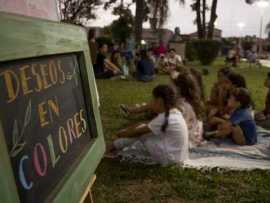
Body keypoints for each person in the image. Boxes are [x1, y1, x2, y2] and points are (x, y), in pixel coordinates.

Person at [109, 85, 189, 166]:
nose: (151, 102)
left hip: (169, 159)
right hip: (177, 156)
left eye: (153, 99)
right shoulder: (175, 113)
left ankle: (110, 148)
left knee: (141, 134)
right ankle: (115, 146)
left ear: (159, 101)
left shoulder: (165, 118)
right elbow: (145, 125)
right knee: (142, 131)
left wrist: (120, 134)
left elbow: (137, 132)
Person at [173, 72, 205, 146]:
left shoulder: (181, 105)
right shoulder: (195, 101)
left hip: (186, 141)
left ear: (178, 88)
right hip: (196, 138)